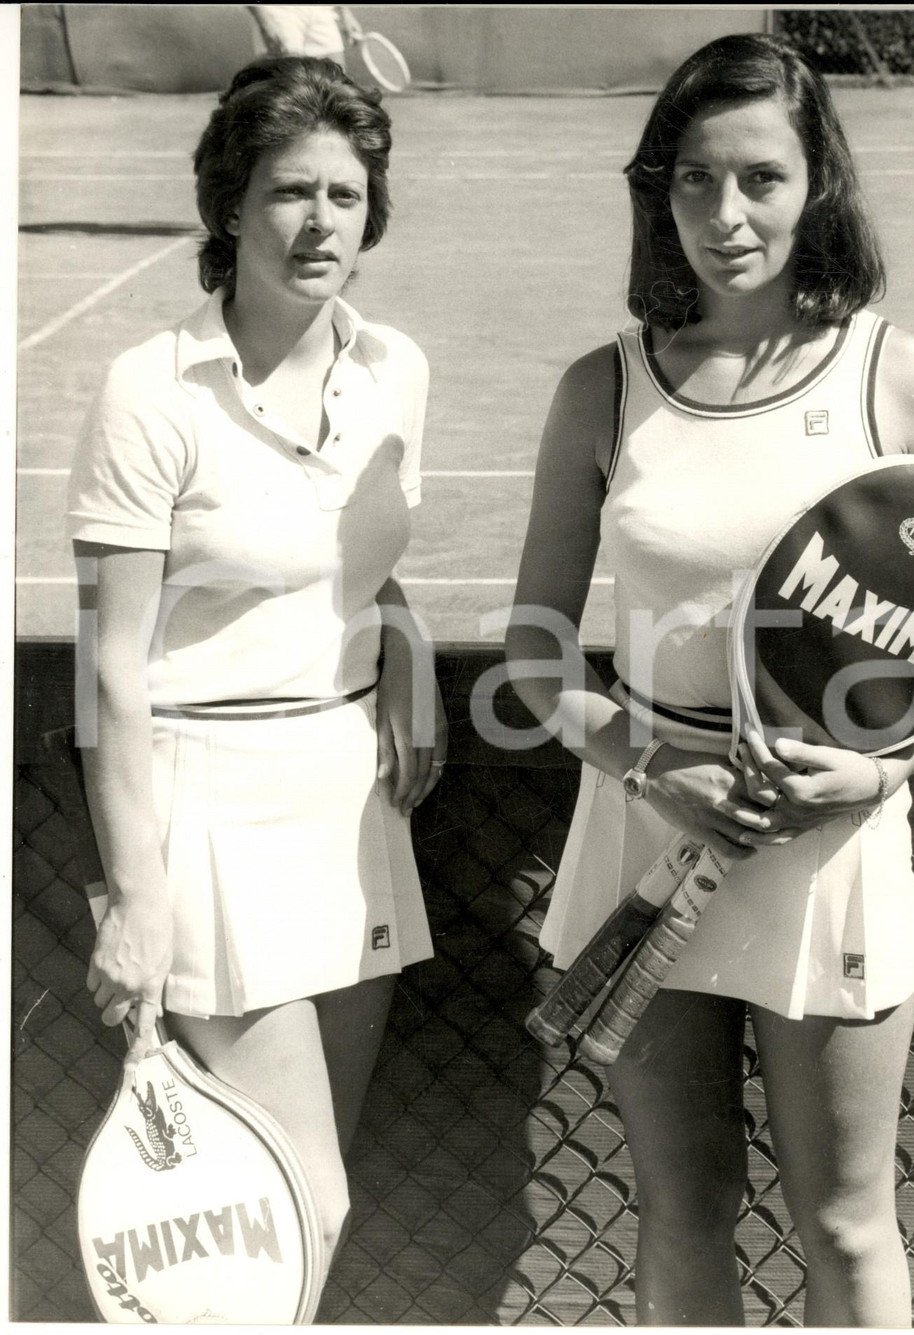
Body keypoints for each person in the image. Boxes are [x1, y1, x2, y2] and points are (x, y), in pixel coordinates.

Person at [506, 32, 914, 1328]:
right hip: (650, 828)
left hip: (826, 843)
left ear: (819, 181)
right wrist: (659, 767)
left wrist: (878, 767)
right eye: (696, 180)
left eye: (761, 178)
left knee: (844, 1215)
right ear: (659, 191)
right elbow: (536, 653)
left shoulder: (903, 379)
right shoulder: (601, 389)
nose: (727, 215)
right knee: (684, 1205)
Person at [67, 55, 446, 1282]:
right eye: (290, 191)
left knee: (303, 1207)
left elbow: (339, 556)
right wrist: (137, 897)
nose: (319, 221)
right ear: (230, 205)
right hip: (210, 815)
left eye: (345, 194)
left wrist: (399, 625)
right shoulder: (148, 391)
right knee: (288, 1216)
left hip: (346, 803)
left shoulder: (396, 373)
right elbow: (112, 664)